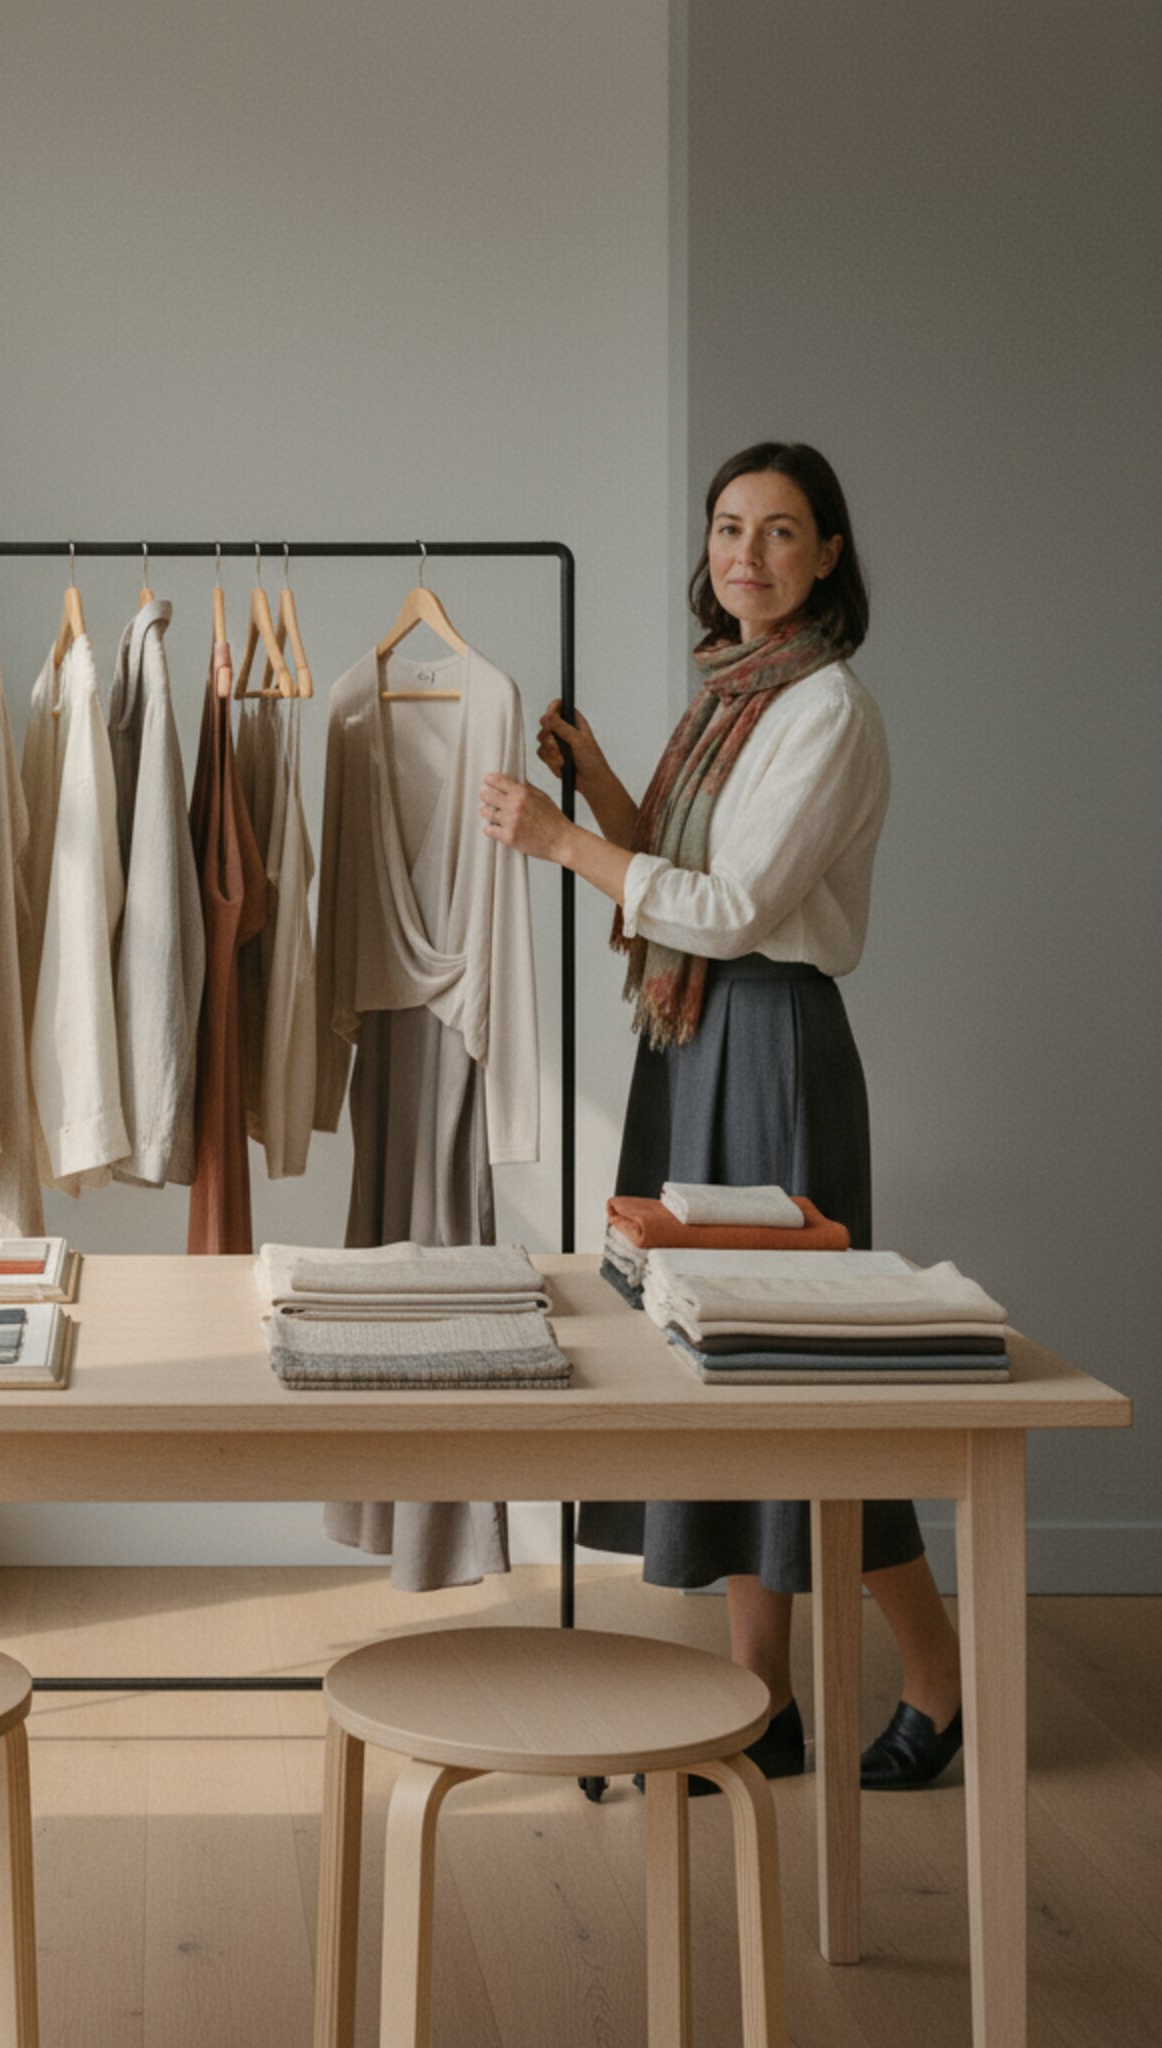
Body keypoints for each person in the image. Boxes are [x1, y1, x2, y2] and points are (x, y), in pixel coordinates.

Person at [476, 441, 964, 1793]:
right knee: (719, 1371)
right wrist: (603, 789)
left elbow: (740, 908)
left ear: (829, 557)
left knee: (802, 1386)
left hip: (769, 1047)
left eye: (781, 532)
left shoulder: (825, 710)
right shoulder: (731, 702)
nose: (746, 553)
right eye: (729, 528)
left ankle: (937, 1672)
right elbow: (686, 869)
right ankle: (765, 1703)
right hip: (696, 1041)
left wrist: (567, 844)